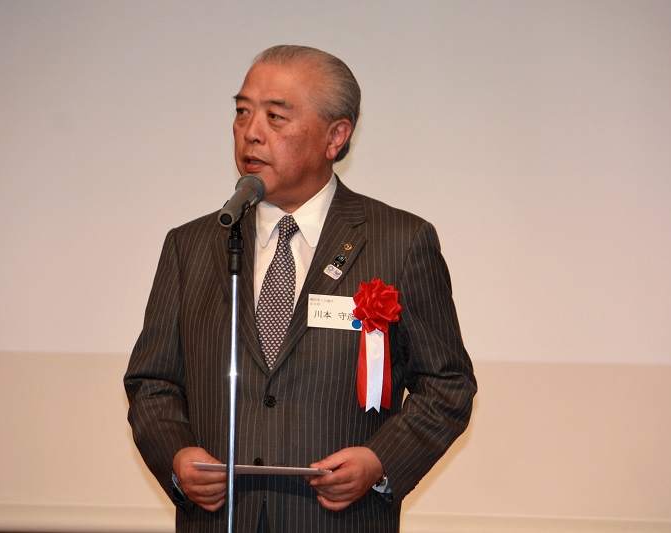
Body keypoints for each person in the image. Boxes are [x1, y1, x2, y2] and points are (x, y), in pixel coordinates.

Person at [125, 44, 476, 533]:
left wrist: (379, 461)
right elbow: (152, 382)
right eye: (242, 112)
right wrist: (178, 456)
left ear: (335, 137)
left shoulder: (400, 241)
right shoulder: (193, 244)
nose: (251, 132)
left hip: (339, 521)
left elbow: (447, 384)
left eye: (275, 116)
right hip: (220, 520)